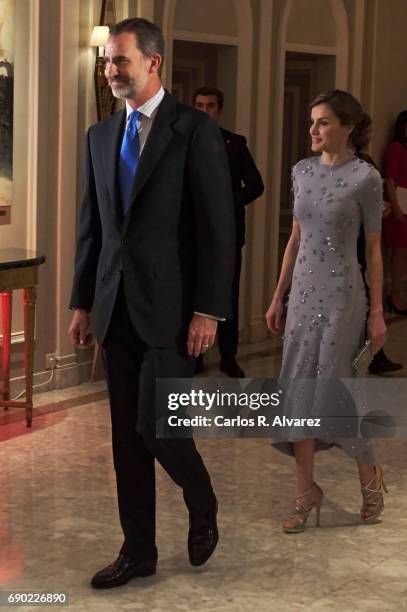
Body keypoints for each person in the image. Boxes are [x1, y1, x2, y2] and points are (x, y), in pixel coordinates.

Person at [68, 18, 236, 588]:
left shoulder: (193, 130)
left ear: (153, 63)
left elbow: (217, 228)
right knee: (125, 441)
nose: (111, 70)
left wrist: (209, 311)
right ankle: (138, 551)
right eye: (107, 61)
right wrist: (81, 301)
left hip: (172, 312)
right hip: (114, 307)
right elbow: (92, 228)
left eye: (121, 60)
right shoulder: (98, 137)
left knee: (157, 427)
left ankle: (202, 497)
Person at [266, 90, 388, 533]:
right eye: (312, 122)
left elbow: (373, 251)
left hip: (343, 296)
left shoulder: (365, 179)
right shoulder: (301, 171)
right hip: (302, 295)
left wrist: (377, 312)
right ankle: (305, 493)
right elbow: (295, 240)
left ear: (348, 127)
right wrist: (278, 294)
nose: (313, 130)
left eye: (322, 122)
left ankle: (369, 475)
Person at [193, 86, 264, 378]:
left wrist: (226, 202)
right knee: (192, 295)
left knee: (227, 294)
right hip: (193, 234)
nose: (205, 111)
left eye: (210, 106)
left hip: (229, 234)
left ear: (219, 111)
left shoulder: (235, 144)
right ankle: (194, 356)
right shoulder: (182, 141)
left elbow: (256, 185)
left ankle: (228, 357)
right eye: (199, 105)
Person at [353, 113, 403, 375]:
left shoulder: (360, 161)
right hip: (358, 240)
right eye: (368, 130)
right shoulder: (360, 162)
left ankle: (372, 353)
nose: (371, 135)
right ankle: (373, 353)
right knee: (365, 295)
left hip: (359, 238)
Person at [382, 110, 407, 315]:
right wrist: (396, 208)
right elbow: (389, 179)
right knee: (398, 252)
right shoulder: (396, 148)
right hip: (399, 204)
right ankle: (395, 296)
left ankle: (397, 294)